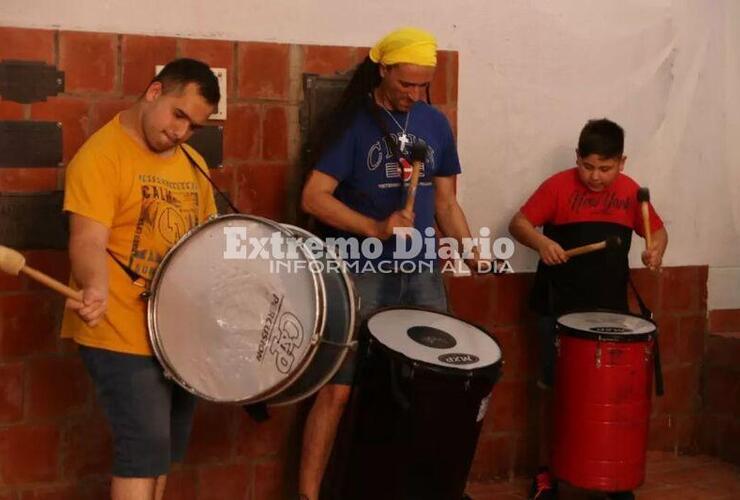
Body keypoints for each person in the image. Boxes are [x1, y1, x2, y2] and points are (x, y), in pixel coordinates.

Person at [298, 27, 485, 500]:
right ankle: (308, 495)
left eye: (423, 85)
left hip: (421, 270)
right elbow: (314, 198)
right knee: (338, 387)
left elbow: (445, 203)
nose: (414, 95)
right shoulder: (354, 124)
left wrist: (467, 246)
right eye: (406, 84)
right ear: (382, 69)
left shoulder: (435, 124)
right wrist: (375, 228)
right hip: (361, 270)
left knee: (432, 386)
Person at [61, 58, 220, 500]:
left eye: (194, 126)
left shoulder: (192, 162)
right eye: (178, 114)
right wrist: (93, 284)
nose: (181, 132)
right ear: (154, 92)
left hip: (178, 333)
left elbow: (208, 241)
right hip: (118, 327)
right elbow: (87, 241)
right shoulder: (101, 155)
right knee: (143, 449)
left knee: (165, 451)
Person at [508, 118, 668, 500]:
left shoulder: (631, 193)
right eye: (588, 166)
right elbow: (519, 223)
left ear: (622, 162)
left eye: (605, 168)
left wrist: (656, 248)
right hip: (557, 306)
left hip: (611, 312)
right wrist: (540, 244)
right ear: (577, 158)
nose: (595, 176)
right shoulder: (558, 187)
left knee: (609, 395)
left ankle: (612, 478)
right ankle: (550, 473)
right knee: (557, 390)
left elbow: (658, 232)